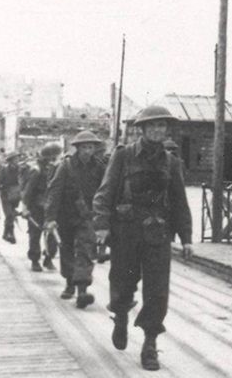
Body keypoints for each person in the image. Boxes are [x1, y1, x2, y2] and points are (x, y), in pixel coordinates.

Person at [93, 105, 193, 371]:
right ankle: (121, 316)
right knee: (122, 283)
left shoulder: (171, 162)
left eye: (162, 126)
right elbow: (104, 193)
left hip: (157, 234)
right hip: (126, 233)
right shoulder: (124, 156)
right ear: (143, 129)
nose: (158, 130)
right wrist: (101, 225)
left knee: (157, 291)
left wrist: (186, 237)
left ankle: (149, 344)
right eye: (153, 126)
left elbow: (180, 201)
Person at [45, 131, 106, 309]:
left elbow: (106, 191)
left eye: (91, 147)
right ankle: (70, 282)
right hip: (66, 215)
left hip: (88, 216)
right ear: (77, 149)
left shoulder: (100, 167)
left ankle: (82, 290)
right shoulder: (66, 166)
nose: (88, 151)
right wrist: (50, 218)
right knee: (67, 249)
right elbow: (54, 192)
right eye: (84, 147)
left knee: (86, 250)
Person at [21, 143, 63, 272]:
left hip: (52, 207)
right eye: (56, 156)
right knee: (35, 234)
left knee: (52, 235)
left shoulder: (58, 170)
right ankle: (35, 260)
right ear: (50, 157)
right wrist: (25, 208)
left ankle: (48, 258)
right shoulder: (36, 170)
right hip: (37, 207)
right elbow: (28, 191)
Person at [0, 152, 21, 244]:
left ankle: (5, 233)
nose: (17, 160)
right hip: (5, 195)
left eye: (18, 159)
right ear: (11, 161)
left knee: (11, 214)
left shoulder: (20, 169)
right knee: (9, 215)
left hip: (16, 195)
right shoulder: (4, 170)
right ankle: (11, 234)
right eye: (15, 159)